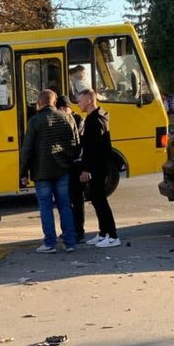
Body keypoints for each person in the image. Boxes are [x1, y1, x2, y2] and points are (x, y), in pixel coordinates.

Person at [19, 89, 80, 254]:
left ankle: (50, 243)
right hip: (62, 170)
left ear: (39, 103)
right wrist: (68, 160)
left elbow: (28, 149)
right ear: (54, 102)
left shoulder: (35, 121)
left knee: (46, 208)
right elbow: (75, 143)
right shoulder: (67, 118)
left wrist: (23, 173)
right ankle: (70, 242)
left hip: (41, 171)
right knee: (65, 206)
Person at [76, 88, 120, 248]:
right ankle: (103, 233)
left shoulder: (94, 120)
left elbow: (94, 148)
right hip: (99, 166)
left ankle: (113, 235)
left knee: (100, 201)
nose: (78, 103)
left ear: (89, 101)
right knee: (96, 200)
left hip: (97, 167)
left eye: (80, 100)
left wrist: (87, 169)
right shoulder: (98, 116)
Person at [55, 95, 86, 244]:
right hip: (68, 165)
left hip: (77, 166)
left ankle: (78, 231)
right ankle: (71, 229)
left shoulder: (78, 120)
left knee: (77, 200)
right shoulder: (68, 119)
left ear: (63, 108)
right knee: (67, 200)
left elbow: (78, 145)